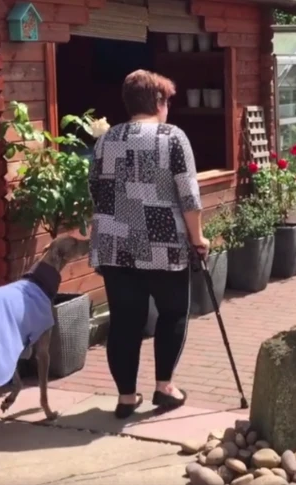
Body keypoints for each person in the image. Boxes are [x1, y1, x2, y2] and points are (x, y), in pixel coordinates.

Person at [88, 69, 210, 419]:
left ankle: (126, 398)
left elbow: (96, 191)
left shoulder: (106, 140)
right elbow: (188, 194)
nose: (168, 107)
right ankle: (164, 387)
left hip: (114, 244)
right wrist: (198, 238)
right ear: (158, 102)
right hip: (163, 245)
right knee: (172, 314)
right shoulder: (172, 137)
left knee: (125, 321)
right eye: (167, 100)